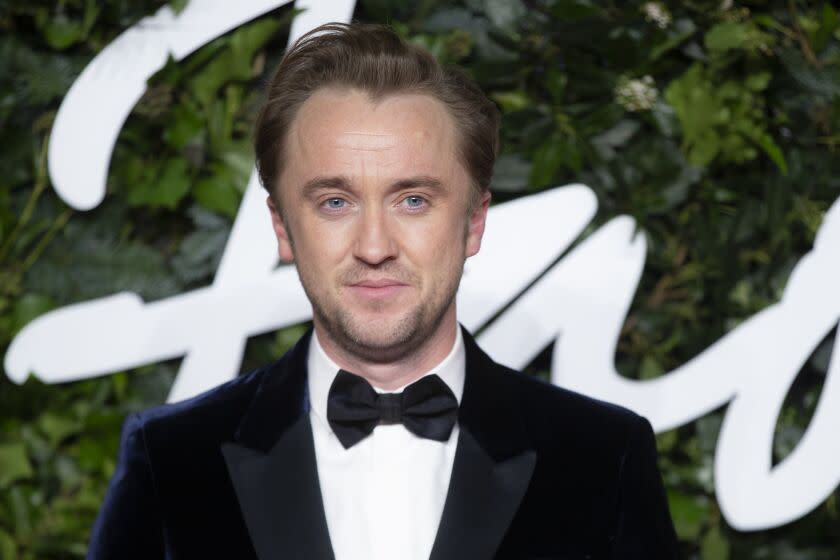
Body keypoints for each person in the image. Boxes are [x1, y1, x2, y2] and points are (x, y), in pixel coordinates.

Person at [87, 22, 677, 560]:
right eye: (335, 202)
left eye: (413, 200)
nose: (374, 246)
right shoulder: (170, 459)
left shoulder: (605, 457)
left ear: (473, 222)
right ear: (281, 228)